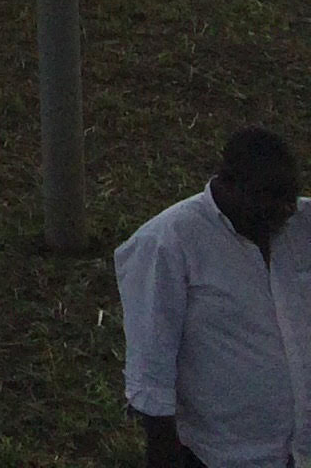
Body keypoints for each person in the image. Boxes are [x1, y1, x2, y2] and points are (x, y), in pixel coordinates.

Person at [117, 126, 311, 468]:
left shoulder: (301, 225)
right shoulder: (169, 242)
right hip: (224, 456)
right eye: (268, 198)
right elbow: (152, 369)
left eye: (290, 197)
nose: (285, 211)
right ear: (227, 183)